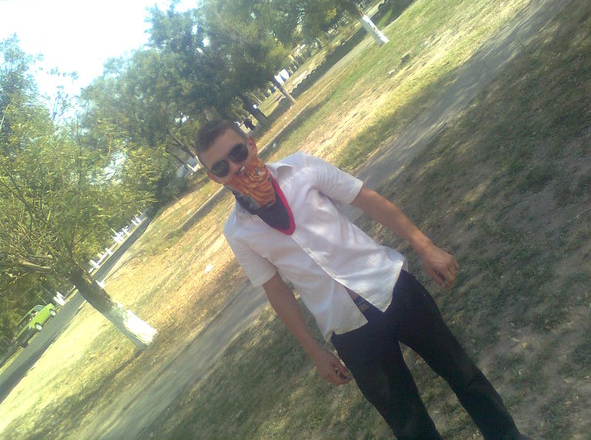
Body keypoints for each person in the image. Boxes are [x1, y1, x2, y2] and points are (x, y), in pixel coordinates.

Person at [195, 119, 528, 439]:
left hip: (389, 285)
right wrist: (314, 351)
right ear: (214, 177)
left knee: (464, 375)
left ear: (251, 144)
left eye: (237, 152)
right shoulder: (238, 231)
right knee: (409, 426)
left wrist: (426, 247)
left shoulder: (300, 168)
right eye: (221, 167)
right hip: (348, 328)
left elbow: (366, 198)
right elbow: (275, 289)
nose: (235, 167)